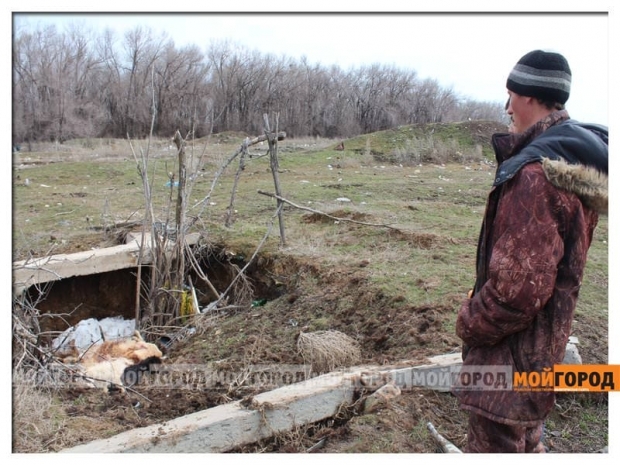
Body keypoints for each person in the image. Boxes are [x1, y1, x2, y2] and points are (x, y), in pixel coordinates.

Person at [452, 50, 608, 453]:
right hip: (539, 354)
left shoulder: (536, 177)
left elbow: (518, 292)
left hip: (506, 364)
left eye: (510, 96)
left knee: (498, 446)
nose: (507, 107)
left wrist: (469, 320)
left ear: (529, 97)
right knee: (525, 439)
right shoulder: (574, 162)